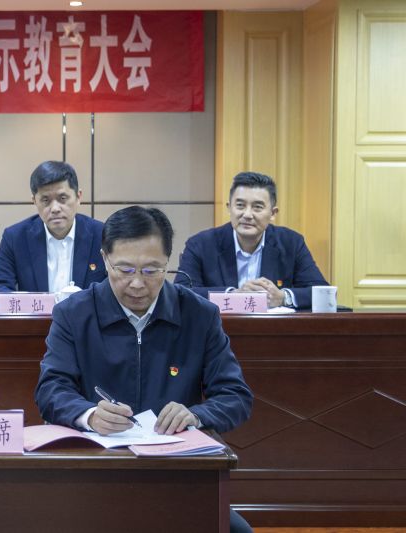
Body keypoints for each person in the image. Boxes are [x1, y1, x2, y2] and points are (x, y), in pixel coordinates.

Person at [35, 205, 253, 533]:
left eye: (152, 270)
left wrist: (196, 415)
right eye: (124, 269)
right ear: (105, 259)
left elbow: (235, 396)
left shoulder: (199, 314)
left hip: (176, 475)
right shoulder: (74, 314)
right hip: (94, 473)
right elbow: (51, 389)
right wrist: (89, 415)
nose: (137, 283)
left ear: (168, 262)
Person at [175, 171, 328, 310]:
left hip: (273, 329)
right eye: (240, 205)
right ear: (229, 208)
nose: (247, 215)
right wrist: (233, 295)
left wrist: (283, 297)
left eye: (257, 207)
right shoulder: (200, 244)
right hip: (217, 329)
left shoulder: (291, 243)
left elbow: (322, 292)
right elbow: (180, 292)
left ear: (273, 213)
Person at [0, 160, 106, 308]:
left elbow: (116, 288)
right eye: (45, 200)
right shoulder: (16, 238)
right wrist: (35, 304)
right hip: (36, 322)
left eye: (62, 198)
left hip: (88, 322)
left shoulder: (102, 235)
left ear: (78, 197)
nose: (55, 208)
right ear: (34, 201)